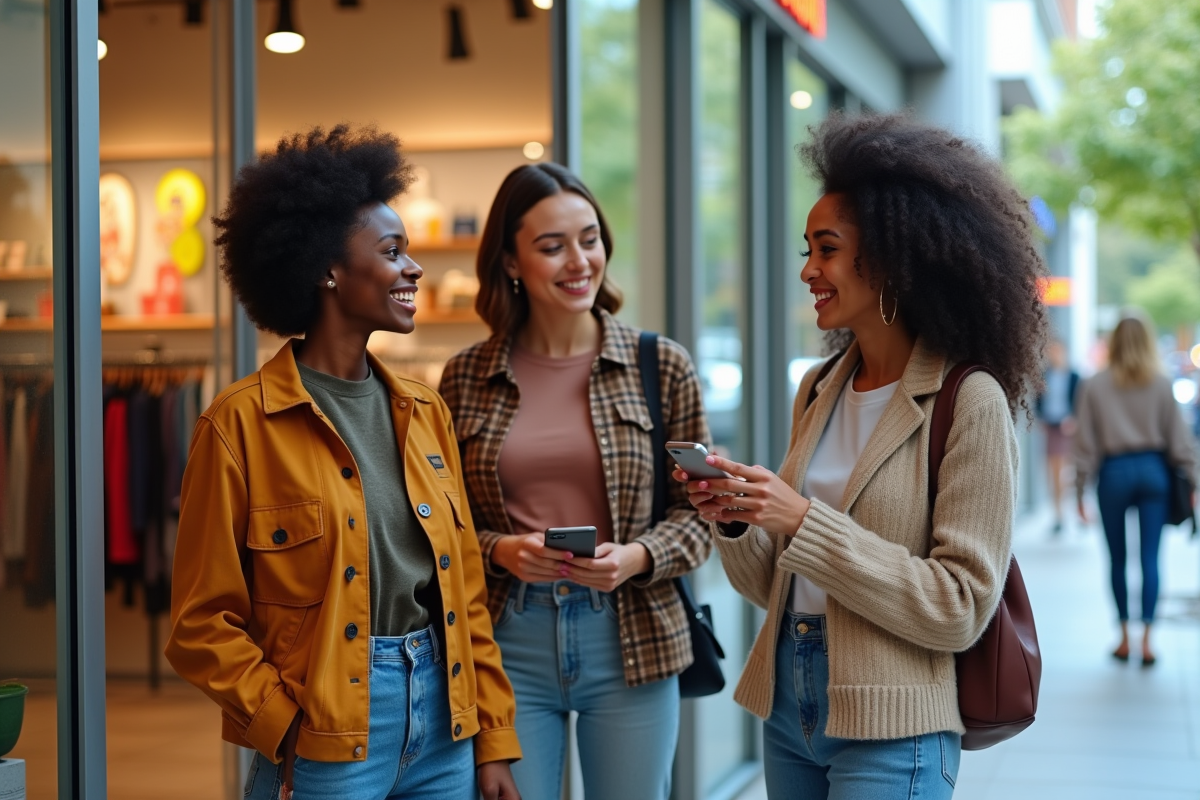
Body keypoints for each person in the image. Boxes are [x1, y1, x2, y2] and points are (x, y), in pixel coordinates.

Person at [676, 112, 1048, 799]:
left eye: (827, 249)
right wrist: (735, 518)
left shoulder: (969, 399)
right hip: (788, 707)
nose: (808, 270)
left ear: (893, 257)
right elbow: (775, 585)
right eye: (807, 250)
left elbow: (960, 605)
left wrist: (800, 519)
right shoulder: (819, 387)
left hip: (895, 726)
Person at [165, 125, 521, 800]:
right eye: (391, 252)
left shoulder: (425, 411)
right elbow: (199, 623)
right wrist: (284, 724)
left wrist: (492, 738)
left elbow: (465, 594)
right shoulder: (239, 425)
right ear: (327, 270)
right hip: (327, 732)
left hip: (445, 722)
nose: (413, 268)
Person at [438, 162, 712, 800]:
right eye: (552, 246)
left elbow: (702, 513)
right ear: (511, 261)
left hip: (632, 635)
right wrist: (501, 550)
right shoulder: (464, 376)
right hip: (507, 640)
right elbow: (435, 525)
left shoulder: (660, 365)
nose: (578, 261)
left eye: (589, 240)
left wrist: (637, 557)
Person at [1074, 314, 1196, 666]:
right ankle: (1148, 641)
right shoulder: (1161, 383)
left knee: (1117, 559)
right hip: (1154, 471)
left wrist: (1080, 490)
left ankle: (1125, 638)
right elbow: (1180, 440)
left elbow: (1084, 444)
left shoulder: (1095, 384)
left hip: (1113, 472)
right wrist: (1194, 481)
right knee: (1150, 558)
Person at [1036, 340, 1080, 533]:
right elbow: (1038, 401)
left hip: (1069, 429)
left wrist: (1074, 419)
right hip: (1051, 427)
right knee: (1053, 471)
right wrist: (1040, 419)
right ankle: (1059, 514)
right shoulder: (1044, 376)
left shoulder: (1074, 377)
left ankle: (1076, 509)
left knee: (1070, 471)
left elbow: (1080, 402)